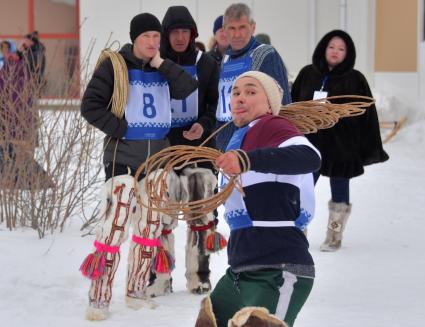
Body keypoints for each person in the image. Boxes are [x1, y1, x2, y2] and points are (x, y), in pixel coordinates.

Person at [80, 12, 198, 320]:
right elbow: (89, 106)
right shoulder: (115, 66)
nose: (153, 42)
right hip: (123, 158)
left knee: (149, 228)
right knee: (114, 226)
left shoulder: (164, 67)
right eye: (147, 36)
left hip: (157, 160)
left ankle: (136, 290)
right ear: (135, 38)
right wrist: (119, 128)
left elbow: (188, 88)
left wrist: (162, 63)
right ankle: (99, 296)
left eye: (157, 37)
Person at [195, 71, 321, 327]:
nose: (240, 98)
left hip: (279, 269)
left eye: (251, 92)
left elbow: (310, 157)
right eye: (236, 92)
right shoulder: (239, 137)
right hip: (241, 272)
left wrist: (247, 160)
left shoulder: (271, 125)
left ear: (269, 104)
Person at [291, 29, 389, 251]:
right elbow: (293, 104)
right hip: (311, 144)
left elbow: (365, 114)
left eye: (341, 49)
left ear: (348, 53)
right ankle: (298, 231)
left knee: (339, 191)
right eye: (331, 47)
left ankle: (334, 234)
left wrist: (362, 144)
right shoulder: (308, 74)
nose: (335, 52)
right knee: (302, 189)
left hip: (341, 147)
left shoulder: (355, 79)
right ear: (323, 48)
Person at [146, 5, 220, 296]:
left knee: (201, 215)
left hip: (199, 148)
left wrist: (203, 124)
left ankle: (198, 275)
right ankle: (161, 276)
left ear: (193, 34)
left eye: (185, 32)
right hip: (164, 149)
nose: (179, 37)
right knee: (162, 215)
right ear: (166, 34)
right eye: (174, 32)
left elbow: (214, 106)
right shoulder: (152, 63)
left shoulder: (206, 63)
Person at [215, 3, 291, 152]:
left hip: (257, 144)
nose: (237, 34)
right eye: (232, 28)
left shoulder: (265, 54)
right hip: (227, 144)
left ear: (253, 27)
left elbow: (282, 103)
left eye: (242, 27)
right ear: (224, 31)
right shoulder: (226, 59)